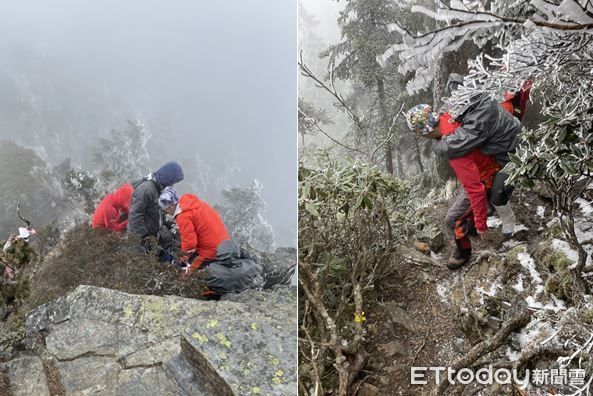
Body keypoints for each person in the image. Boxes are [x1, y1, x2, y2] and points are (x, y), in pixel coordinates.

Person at [406, 98, 519, 269]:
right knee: (465, 205)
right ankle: (471, 226)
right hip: (490, 164)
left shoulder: (453, 145)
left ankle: (463, 252)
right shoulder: (449, 117)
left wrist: (482, 224)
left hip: (486, 175)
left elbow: (476, 189)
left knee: (452, 220)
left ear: (422, 133)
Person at [158, 187, 230, 272]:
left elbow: (190, 243)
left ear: (170, 206)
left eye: (165, 209)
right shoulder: (194, 204)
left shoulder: (183, 216)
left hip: (211, 249)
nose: (166, 212)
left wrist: (182, 258)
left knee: (187, 274)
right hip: (224, 243)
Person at [127, 161, 184, 249]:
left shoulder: (157, 189)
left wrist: (168, 224)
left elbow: (156, 214)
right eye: (173, 182)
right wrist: (145, 238)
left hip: (149, 240)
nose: (172, 185)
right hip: (138, 242)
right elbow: (135, 217)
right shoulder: (146, 190)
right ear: (168, 178)